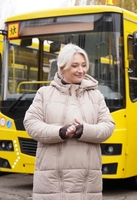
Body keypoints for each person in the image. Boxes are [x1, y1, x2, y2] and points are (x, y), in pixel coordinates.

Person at [23, 43, 115, 200]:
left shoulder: (96, 96)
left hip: (88, 183)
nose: (81, 70)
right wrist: (60, 132)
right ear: (62, 67)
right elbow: (31, 124)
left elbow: (108, 126)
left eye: (84, 65)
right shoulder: (44, 94)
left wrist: (84, 130)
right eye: (75, 66)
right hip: (51, 182)